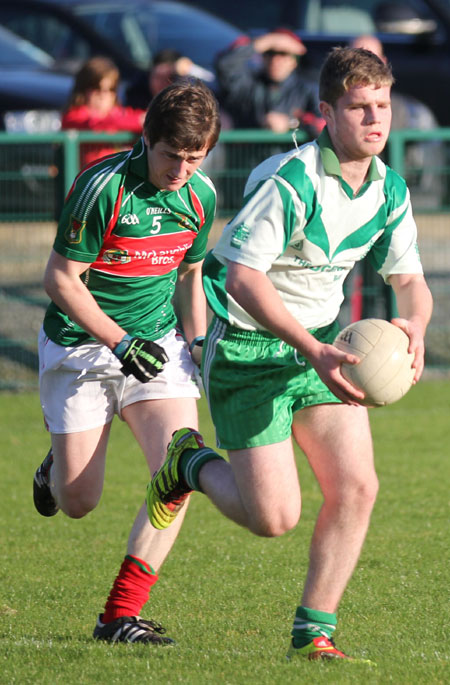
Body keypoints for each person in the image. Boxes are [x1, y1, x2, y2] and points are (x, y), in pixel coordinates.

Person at [146, 47, 433, 661]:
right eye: (359, 107)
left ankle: (314, 633)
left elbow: (411, 280)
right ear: (327, 111)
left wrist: (417, 327)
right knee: (272, 518)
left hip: (322, 346)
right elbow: (242, 275)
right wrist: (312, 347)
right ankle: (188, 464)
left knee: (357, 487)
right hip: (250, 348)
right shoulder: (292, 180)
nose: (375, 118)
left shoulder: (389, 190)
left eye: (382, 105)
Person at [33, 79, 221, 644]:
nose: (182, 170)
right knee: (78, 501)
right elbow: (60, 279)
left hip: (157, 346)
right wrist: (117, 341)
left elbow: (190, 275)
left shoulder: (201, 196)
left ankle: (120, 614)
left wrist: (196, 341)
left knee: (180, 466)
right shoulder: (102, 186)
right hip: (83, 345)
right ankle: (53, 466)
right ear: (146, 139)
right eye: (172, 156)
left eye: (195, 158)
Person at [349, 34, 445, 207]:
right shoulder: (331, 110)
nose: (365, 66)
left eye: (382, 106)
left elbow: (429, 185)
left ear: (384, 63)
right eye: (357, 59)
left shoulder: (415, 114)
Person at [215, 28, 325, 136]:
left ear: (294, 61)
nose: (275, 60)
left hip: (291, 153)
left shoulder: (307, 90)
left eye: (283, 54)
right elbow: (225, 65)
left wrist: (290, 123)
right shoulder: (249, 85)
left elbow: (324, 124)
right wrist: (265, 42)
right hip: (250, 152)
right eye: (270, 53)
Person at [62, 56, 146, 167]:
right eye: (97, 89)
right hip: (89, 179)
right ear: (83, 90)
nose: (103, 95)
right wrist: (141, 121)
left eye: (110, 89)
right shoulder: (73, 116)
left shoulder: (118, 113)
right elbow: (98, 124)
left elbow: (134, 117)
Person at [125, 48, 215, 111]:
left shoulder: (187, 101)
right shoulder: (136, 95)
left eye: (170, 77)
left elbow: (211, 82)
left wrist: (190, 70)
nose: (162, 82)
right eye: (158, 76)